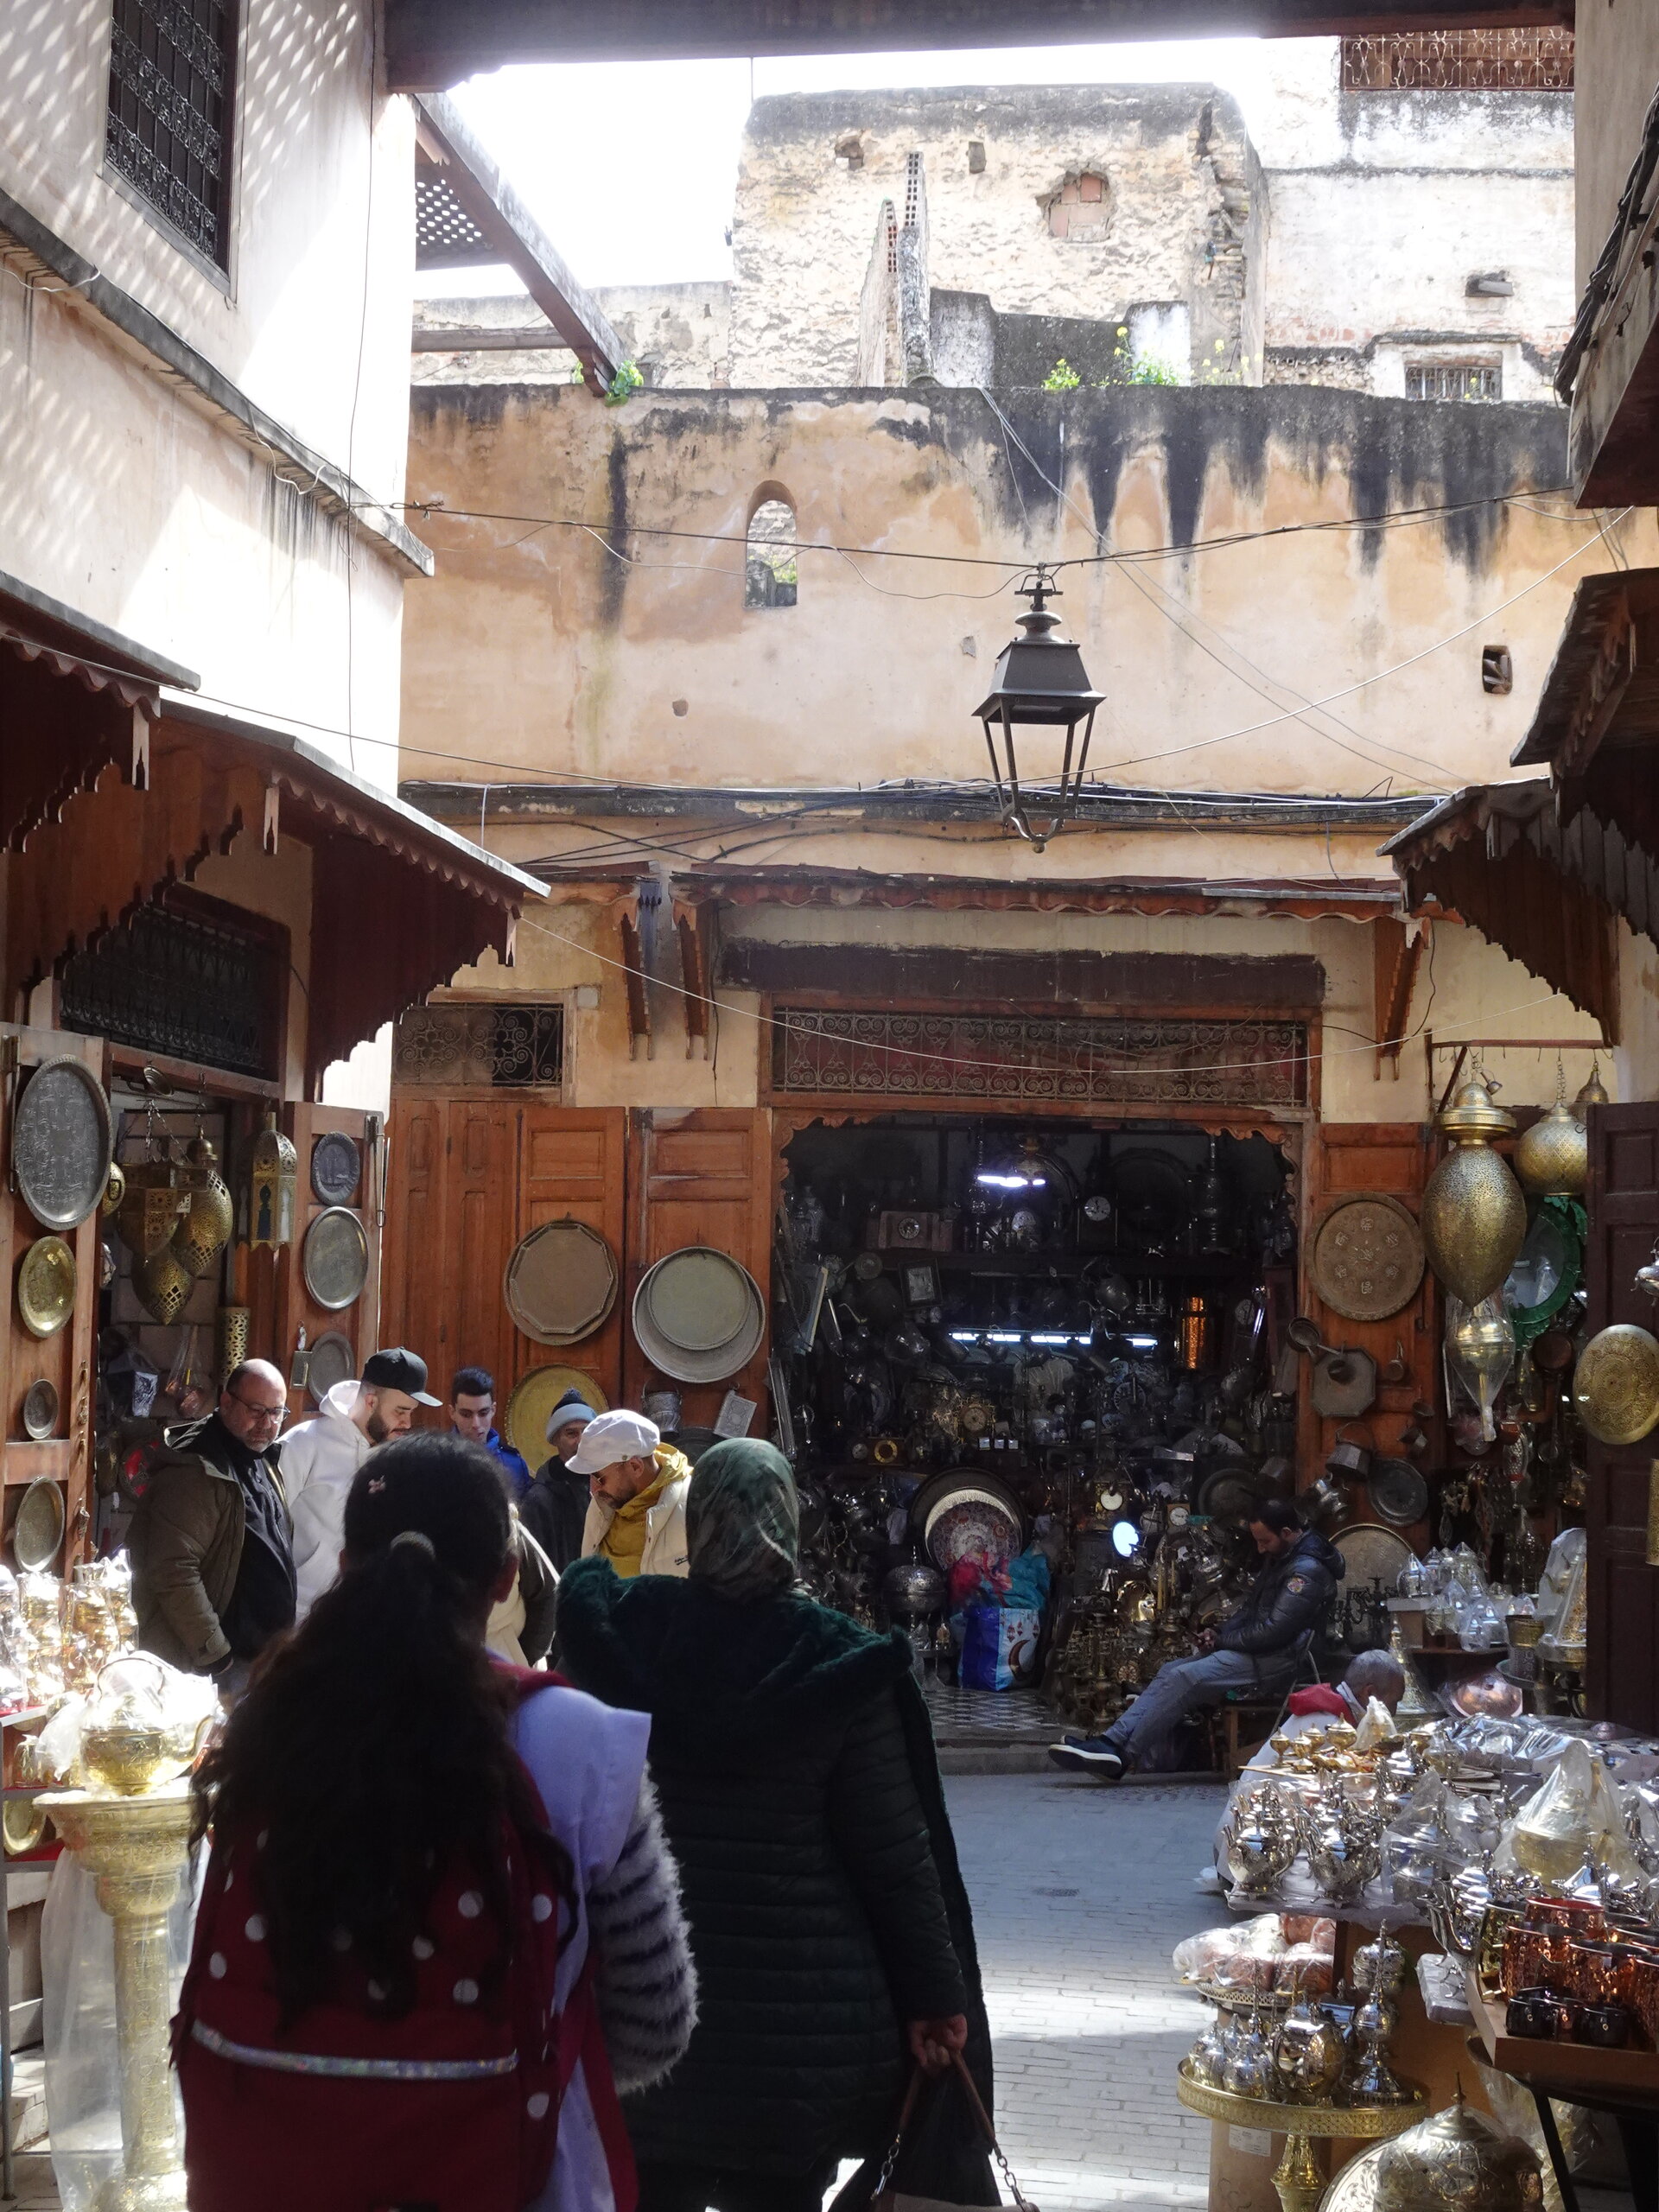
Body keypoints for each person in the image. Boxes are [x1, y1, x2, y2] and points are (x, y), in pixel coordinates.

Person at [177, 1430, 697, 2212]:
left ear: (347, 1567)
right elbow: (654, 2017)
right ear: (505, 1580)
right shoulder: (579, 1741)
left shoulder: (265, 1722)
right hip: (513, 2174)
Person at [558, 1439, 989, 2212]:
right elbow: (895, 1862)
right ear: (789, 1522)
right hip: (798, 2043)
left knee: (646, 2187)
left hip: (649, 2010)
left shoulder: (624, 1635)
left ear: (698, 1522)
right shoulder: (840, 1665)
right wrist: (936, 1999)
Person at [1050, 1498, 1344, 1782]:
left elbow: (1274, 1631)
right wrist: (1219, 1632)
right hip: (1260, 1651)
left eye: (1265, 1541)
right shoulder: (1282, 1557)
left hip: (1282, 1659)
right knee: (1171, 1670)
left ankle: (1122, 1756)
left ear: (1288, 1533)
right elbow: (1251, 1611)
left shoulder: (1306, 1571)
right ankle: (1110, 1742)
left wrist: (1224, 1641)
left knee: (1185, 1677)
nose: (1260, 1548)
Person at [129, 1359, 296, 1680]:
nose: (268, 1423)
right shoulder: (197, 1469)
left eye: (277, 1412)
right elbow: (173, 1570)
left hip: (259, 1658)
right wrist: (216, 1656)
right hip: (211, 1664)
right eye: (257, 1409)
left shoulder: (264, 1459)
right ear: (226, 1402)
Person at [281, 1347, 439, 1618]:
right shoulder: (303, 1444)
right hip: (299, 1616)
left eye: (411, 1412)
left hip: (368, 1622)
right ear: (370, 1402)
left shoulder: (400, 1459)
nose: (407, 1422)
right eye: (401, 1411)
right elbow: (265, 1527)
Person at [575, 1411, 695, 1580]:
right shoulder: (604, 1502)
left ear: (635, 1467)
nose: (593, 1490)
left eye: (600, 1478)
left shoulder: (694, 1507)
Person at [521, 1390, 597, 1573]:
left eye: (586, 1432)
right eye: (571, 1434)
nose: (581, 1442)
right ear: (555, 1439)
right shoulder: (539, 1499)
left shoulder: (609, 1486)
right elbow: (534, 1567)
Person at [449, 1364, 531, 1501]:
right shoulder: (436, 1460)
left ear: (493, 1410)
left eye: (483, 1413)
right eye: (466, 1414)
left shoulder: (515, 1464)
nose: (476, 1424)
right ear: (452, 1413)